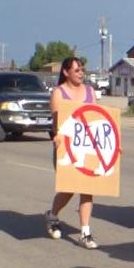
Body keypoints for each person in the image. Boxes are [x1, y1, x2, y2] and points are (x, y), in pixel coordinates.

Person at [44, 57, 100, 250]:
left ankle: (85, 232)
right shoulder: (59, 93)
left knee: (87, 187)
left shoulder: (90, 92)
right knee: (69, 188)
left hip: (87, 147)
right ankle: (52, 215)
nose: (80, 73)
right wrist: (57, 136)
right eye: (76, 70)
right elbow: (56, 123)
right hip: (66, 148)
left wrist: (111, 145)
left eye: (82, 69)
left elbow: (99, 120)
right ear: (66, 72)